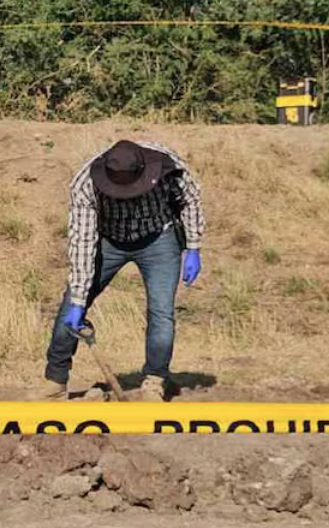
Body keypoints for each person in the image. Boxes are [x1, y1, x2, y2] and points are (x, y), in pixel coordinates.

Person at [38, 140, 205, 402]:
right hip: (109, 241)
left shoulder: (168, 166)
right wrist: (79, 299)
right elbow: (82, 241)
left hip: (158, 239)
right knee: (71, 305)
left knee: (161, 312)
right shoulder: (85, 183)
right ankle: (55, 381)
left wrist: (193, 246)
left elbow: (190, 199)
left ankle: (155, 381)